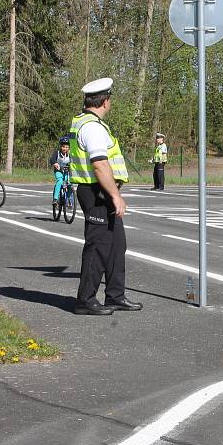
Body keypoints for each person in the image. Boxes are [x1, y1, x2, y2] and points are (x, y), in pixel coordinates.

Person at [69, 77, 142, 315]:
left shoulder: (90, 123)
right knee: (98, 246)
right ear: (105, 101)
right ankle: (85, 300)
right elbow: (100, 164)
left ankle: (115, 295)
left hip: (101, 192)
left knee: (116, 245)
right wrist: (115, 196)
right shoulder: (91, 127)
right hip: (96, 192)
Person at [49, 135, 72, 205]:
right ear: (60, 146)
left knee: (69, 183)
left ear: (69, 148)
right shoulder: (57, 153)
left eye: (66, 147)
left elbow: (75, 161)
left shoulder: (70, 154)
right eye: (63, 146)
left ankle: (69, 200)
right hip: (58, 171)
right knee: (60, 181)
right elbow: (52, 159)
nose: (64, 148)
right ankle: (55, 199)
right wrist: (55, 163)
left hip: (67, 171)